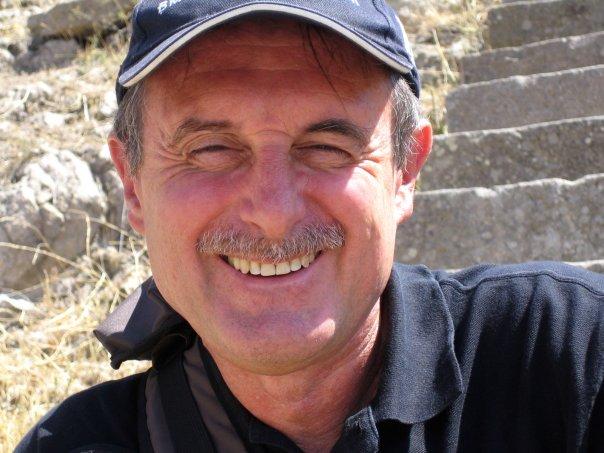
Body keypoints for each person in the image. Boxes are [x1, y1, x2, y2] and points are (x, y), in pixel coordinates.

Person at [17, 1, 603, 452]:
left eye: (326, 147)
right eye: (211, 149)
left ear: (405, 171)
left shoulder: (571, 358)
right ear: (133, 185)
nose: (274, 212)